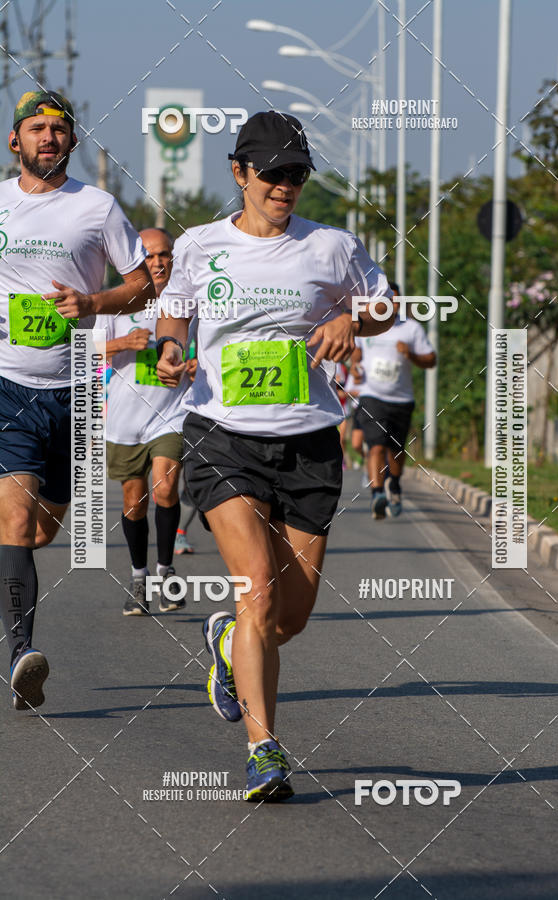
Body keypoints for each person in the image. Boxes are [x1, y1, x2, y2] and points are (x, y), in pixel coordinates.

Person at [155, 110, 395, 801]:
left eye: (296, 174)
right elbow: (174, 313)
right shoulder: (200, 244)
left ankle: (230, 644)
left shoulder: (332, 247)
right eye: (272, 173)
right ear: (240, 172)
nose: (285, 186)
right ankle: (265, 750)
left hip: (310, 441)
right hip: (222, 433)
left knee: (289, 616)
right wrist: (171, 347)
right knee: (257, 589)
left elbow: (385, 303)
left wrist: (353, 317)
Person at [0, 91, 152, 710]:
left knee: (39, 530)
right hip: (8, 382)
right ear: (16, 140)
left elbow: (142, 285)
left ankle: (11, 581)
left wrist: (92, 305)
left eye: (59, 130)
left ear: (72, 142)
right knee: (13, 519)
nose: (49, 138)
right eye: (37, 128)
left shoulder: (98, 207)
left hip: (78, 390)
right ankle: (20, 655)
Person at [98, 227, 194, 615]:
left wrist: (194, 363)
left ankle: (166, 571)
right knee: (133, 502)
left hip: (171, 412)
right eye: (149, 256)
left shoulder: (187, 301)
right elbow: (83, 349)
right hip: (125, 420)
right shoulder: (118, 302)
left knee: (167, 488)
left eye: (164, 255)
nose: (157, 262)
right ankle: (139, 577)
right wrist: (124, 343)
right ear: (137, 261)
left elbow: (205, 348)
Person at [352, 282, 436, 519]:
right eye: (387, 300)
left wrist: (410, 354)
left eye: (396, 300)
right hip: (372, 395)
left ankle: (395, 484)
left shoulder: (411, 329)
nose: (392, 304)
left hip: (401, 399)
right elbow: (355, 353)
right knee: (376, 445)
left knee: (396, 450)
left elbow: (431, 360)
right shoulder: (365, 325)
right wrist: (355, 367)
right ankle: (378, 493)